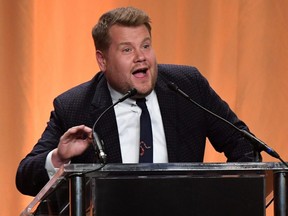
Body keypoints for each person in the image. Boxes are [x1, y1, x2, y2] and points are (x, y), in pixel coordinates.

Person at [16, 6, 257, 196]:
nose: (141, 57)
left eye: (146, 45)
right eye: (127, 50)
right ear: (102, 61)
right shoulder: (75, 106)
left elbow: (244, 145)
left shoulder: (187, 86)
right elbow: (25, 177)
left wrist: (219, 200)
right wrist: (59, 158)